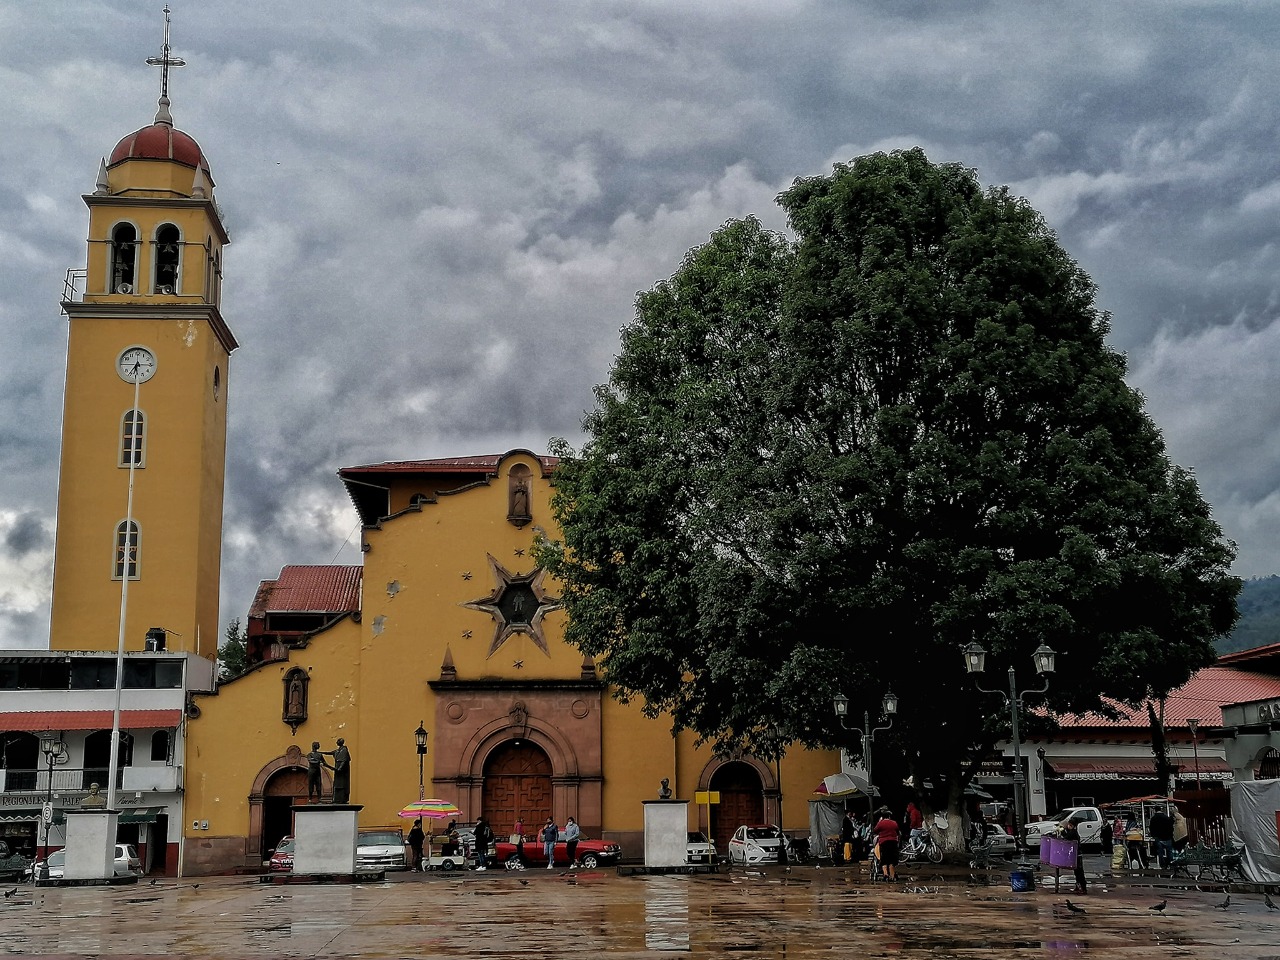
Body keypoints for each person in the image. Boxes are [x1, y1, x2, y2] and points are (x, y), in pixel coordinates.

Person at [872, 808, 900, 882]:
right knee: (892, 860)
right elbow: (897, 831)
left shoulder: (881, 823)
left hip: (884, 843)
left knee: (884, 859)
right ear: (889, 816)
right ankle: (893, 875)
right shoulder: (894, 823)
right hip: (893, 843)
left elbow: (875, 830)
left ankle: (886, 875)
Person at [1061, 815, 1087, 893]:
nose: (1068, 826)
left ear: (1072, 825)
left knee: (1079, 873)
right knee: (1077, 872)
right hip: (1076, 854)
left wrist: (1062, 830)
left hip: (1077, 855)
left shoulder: (1073, 833)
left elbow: (1066, 837)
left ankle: (1083, 888)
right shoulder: (1072, 831)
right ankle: (1078, 886)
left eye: (1069, 825)